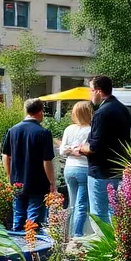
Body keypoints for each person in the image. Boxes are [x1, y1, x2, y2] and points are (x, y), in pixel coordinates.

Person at [80, 76, 131, 222]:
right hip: (118, 167)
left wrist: (81, 148)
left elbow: (95, 146)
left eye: (91, 90)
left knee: (99, 214)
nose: (90, 94)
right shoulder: (123, 109)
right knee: (115, 212)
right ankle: (116, 242)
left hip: (101, 170)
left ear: (99, 91)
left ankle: (104, 242)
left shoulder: (101, 113)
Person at [2, 99, 57, 231]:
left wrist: (9, 175)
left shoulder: (12, 130)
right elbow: (47, 160)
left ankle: (18, 244)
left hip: (17, 180)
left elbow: (5, 155)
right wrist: (52, 182)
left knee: (18, 214)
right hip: (38, 181)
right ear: (40, 112)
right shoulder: (43, 133)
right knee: (34, 216)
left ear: (26, 111)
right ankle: (32, 247)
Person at [59, 101, 92, 237]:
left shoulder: (69, 129)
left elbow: (62, 150)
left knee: (72, 202)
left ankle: (66, 232)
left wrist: (71, 151)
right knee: (82, 204)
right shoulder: (91, 129)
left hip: (69, 168)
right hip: (84, 168)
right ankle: (77, 234)